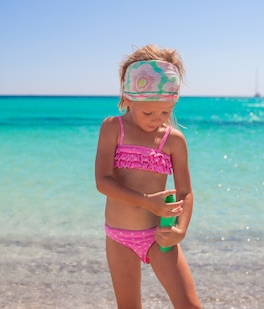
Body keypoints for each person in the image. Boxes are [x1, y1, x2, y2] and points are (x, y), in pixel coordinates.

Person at [94, 44, 201, 309]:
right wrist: (146, 201)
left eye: (165, 112)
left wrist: (181, 229)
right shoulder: (112, 128)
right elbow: (103, 181)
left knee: (189, 305)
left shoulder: (173, 139)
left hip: (159, 235)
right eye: (148, 112)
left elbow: (185, 192)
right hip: (119, 237)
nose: (156, 119)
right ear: (128, 98)